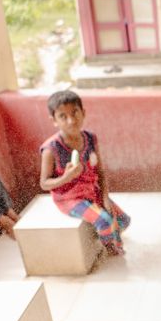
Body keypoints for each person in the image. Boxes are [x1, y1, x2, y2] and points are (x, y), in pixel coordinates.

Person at [39, 90, 130, 256]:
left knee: (123, 220)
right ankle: (110, 250)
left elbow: (100, 171)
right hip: (69, 198)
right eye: (63, 116)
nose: (71, 120)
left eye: (75, 113)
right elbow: (44, 183)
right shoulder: (51, 149)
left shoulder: (90, 138)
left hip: (92, 192)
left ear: (83, 113)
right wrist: (66, 177)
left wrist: (104, 198)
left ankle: (102, 233)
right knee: (105, 220)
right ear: (54, 121)